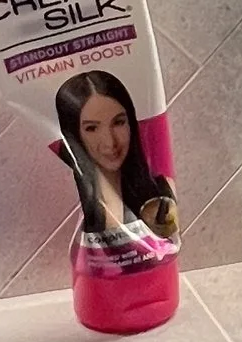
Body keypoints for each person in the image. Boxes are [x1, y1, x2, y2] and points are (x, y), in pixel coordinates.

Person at [53, 70, 180, 245]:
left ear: (130, 123)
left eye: (118, 122)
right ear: (74, 135)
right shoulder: (69, 203)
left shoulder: (162, 193)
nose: (110, 142)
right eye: (92, 128)